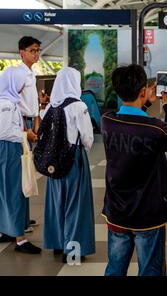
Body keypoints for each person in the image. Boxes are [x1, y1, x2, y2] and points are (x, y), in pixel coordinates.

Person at [102, 64, 167, 276]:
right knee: (150, 270)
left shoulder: (107, 121)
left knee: (115, 268)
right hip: (147, 214)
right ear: (142, 91)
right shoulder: (154, 128)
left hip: (117, 210)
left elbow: (132, 121)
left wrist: (144, 103)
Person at [39, 67, 96, 263]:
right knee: (76, 204)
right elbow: (87, 137)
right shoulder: (79, 106)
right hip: (74, 159)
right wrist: (81, 154)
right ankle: (72, 249)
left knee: (56, 202)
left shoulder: (50, 107)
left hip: (52, 162)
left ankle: (57, 243)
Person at [0, 66, 42, 254]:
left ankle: (8, 229)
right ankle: (20, 239)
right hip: (9, 149)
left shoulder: (10, 101)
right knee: (15, 191)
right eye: (21, 83)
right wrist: (27, 136)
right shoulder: (6, 104)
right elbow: (5, 132)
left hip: (11, 148)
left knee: (9, 190)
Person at [18, 36, 48, 233]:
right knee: (21, 174)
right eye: (32, 50)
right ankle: (17, 221)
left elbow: (32, 104)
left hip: (31, 122)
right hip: (21, 126)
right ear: (22, 53)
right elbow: (15, 105)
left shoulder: (30, 73)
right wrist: (24, 131)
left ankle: (24, 218)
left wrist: (36, 123)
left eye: (38, 50)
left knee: (28, 173)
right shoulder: (18, 74)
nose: (36, 54)